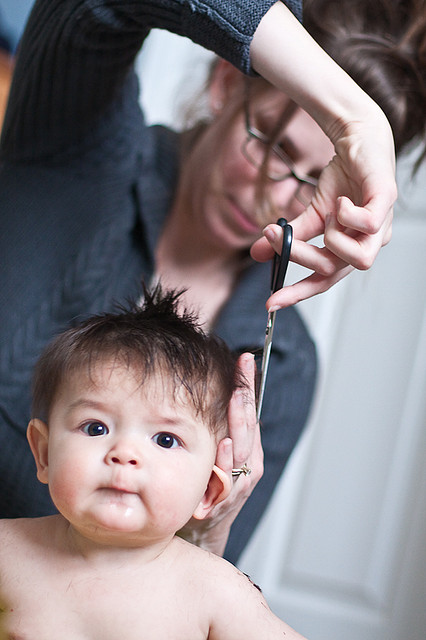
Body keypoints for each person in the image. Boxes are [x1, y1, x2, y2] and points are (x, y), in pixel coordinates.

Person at [0, 0, 406, 562]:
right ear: (223, 84)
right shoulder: (81, 153)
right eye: (272, 144)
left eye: (322, 187)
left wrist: (213, 530)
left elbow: (204, 583)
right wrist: (352, 119)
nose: (281, 199)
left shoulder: (282, 365)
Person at [0, 288, 307, 640]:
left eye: (165, 439)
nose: (124, 453)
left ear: (209, 489)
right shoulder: (6, 552)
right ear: (44, 454)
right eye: (95, 427)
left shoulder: (217, 591)